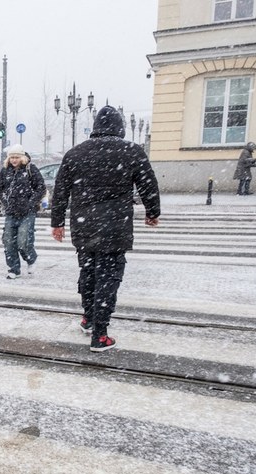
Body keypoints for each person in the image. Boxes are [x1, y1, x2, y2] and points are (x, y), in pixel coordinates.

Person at [50, 105, 161, 352]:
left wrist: (57, 222)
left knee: (88, 272)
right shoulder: (131, 151)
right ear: (120, 127)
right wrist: (152, 212)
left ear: (96, 126)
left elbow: (60, 192)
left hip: (84, 225)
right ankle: (100, 335)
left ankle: (89, 318)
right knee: (108, 277)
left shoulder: (75, 154)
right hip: (115, 224)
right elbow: (148, 184)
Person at [0, 144, 45, 278]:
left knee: (23, 240)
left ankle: (31, 259)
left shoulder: (30, 169)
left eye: (16, 157)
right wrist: (5, 201)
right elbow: (0, 189)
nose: (14, 160)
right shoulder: (5, 171)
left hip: (27, 212)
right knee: (8, 241)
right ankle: (13, 269)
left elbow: (41, 187)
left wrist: (30, 202)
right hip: (11, 211)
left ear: (22, 157)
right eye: (12, 157)